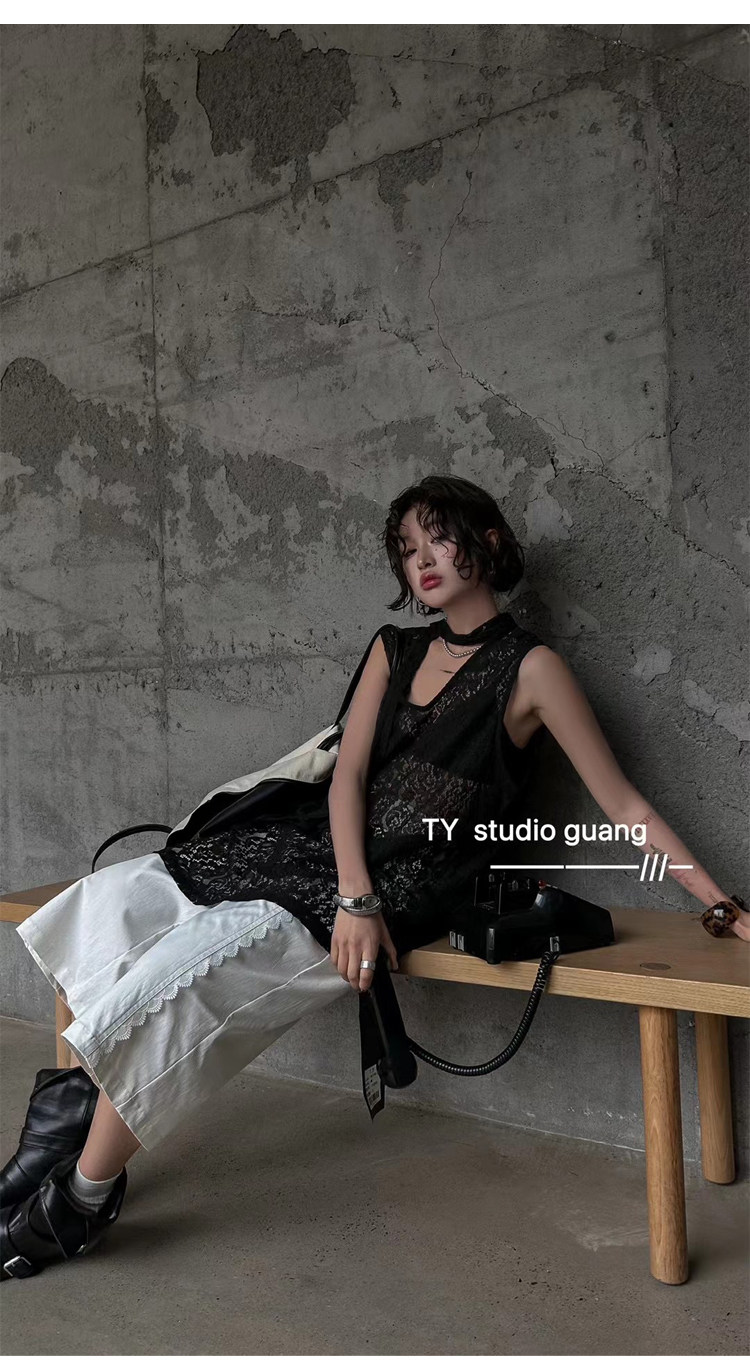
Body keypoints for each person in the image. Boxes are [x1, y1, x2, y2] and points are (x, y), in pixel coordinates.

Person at [2, 473, 747, 1281]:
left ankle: (82, 1196)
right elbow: (348, 777)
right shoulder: (396, 649)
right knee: (120, 899)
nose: (421, 560)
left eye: (438, 538)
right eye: (407, 547)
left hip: (413, 884)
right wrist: (351, 893)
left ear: (490, 542)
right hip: (326, 858)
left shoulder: (531, 670)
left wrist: (720, 905)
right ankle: (67, 1113)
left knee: (186, 981)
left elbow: (625, 804)